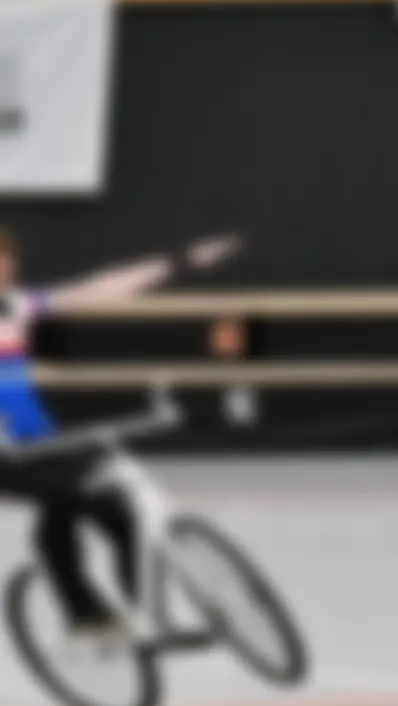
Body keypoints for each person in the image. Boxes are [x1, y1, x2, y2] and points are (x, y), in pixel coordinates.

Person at [0, 229, 243, 645]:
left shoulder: (16, 307)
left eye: (5, 259)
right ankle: (88, 615)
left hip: (45, 441)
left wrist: (178, 261)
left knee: (118, 515)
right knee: (83, 497)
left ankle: (138, 611)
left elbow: (98, 289)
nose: (4, 268)